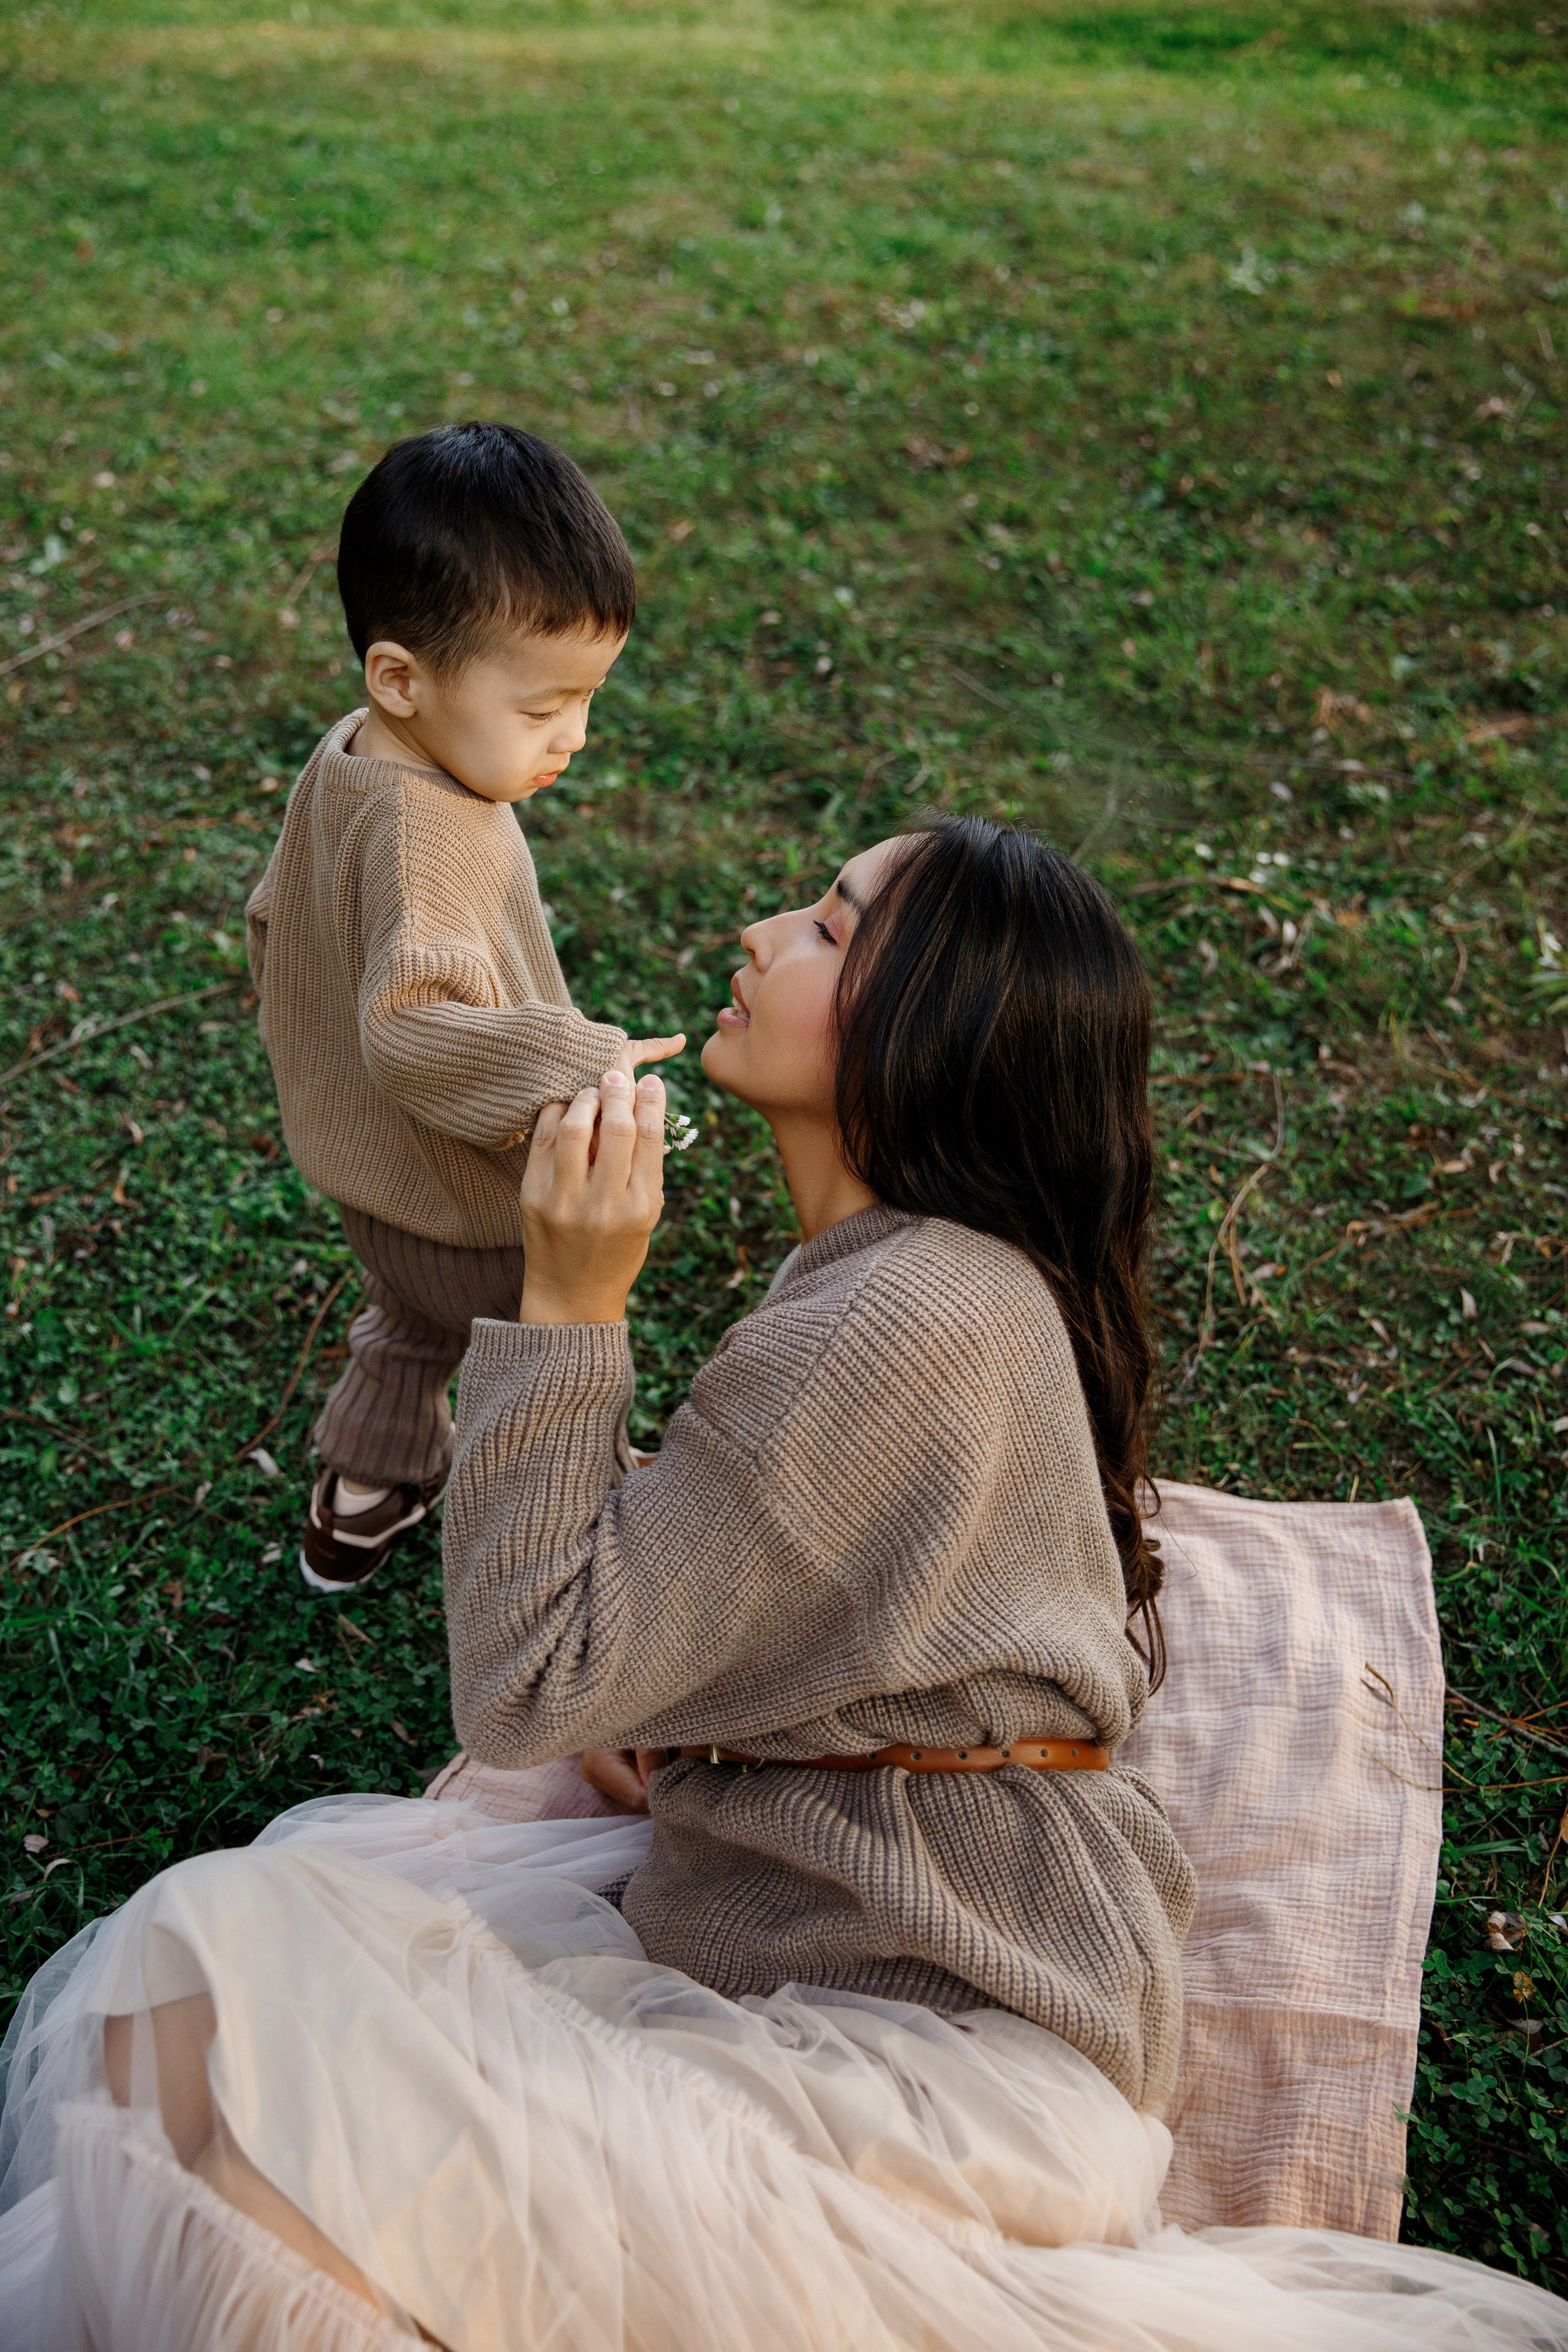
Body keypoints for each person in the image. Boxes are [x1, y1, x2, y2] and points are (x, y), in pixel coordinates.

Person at [0, 822, 1561, 2351]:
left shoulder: (895, 1317)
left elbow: (526, 1685)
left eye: (827, 926)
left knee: (205, 1965)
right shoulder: (930, 1276)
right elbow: (815, 1600)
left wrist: (568, 1298)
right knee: (251, 2107)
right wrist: (697, 1719)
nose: (758, 935)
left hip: (934, 2091)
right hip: (879, 2027)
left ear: (927, 1025)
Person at [244, 421, 683, 1592]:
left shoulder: (353, 755)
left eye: (587, 699)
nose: (575, 737)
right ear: (403, 677)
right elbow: (412, 1027)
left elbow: (275, 919)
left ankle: (363, 1494)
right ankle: (580, 1534)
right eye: (545, 710)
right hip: (474, 1201)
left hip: (375, 1183)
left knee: (410, 1326)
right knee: (553, 1351)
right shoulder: (435, 825)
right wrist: (576, 1070)